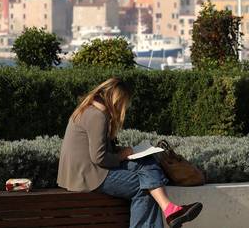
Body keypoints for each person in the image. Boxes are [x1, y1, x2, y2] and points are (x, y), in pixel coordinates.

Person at [57, 78, 203, 228]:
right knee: (145, 189)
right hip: (88, 175)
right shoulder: (97, 116)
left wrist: (122, 151)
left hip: (83, 171)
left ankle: (170, 209)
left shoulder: (89, 109)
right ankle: (169, 209)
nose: (123, 108)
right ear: (116, 100)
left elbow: (96, 148)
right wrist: (123, 155)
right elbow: (99, 158)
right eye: (123, 103)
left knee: (147, 162)